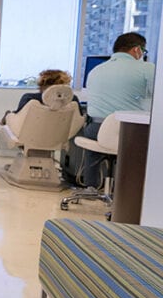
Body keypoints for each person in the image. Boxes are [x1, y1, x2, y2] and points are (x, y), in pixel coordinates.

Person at [63, 32, 154, 187]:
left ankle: (91, 188)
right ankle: (128, 193)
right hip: (128, 132)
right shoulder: (147, 68)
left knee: (93, 151)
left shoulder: (95, 71)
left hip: (96, 129)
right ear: (137, 50)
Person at [0, 68, 78, 125]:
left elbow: (18, 118)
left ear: (42, 85)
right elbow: (80, 120)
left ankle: (8, 116)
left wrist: (10, 117)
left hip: (29, 135)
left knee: (13, 115)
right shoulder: (73, 100)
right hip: (59, 137)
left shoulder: (29, 98)